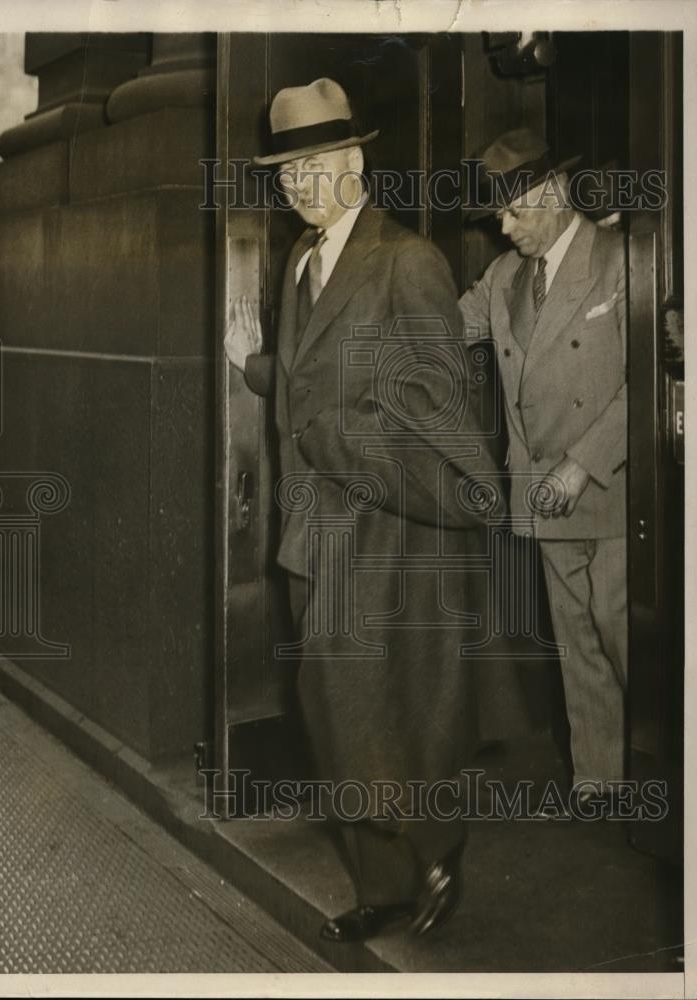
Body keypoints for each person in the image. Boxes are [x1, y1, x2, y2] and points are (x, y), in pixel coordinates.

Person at [225, 79, 530, 943]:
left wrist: (344, 446)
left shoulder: (408, 261)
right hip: (316, 527)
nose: (295, 185)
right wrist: (256, 371)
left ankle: (432, 848)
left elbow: (441, 413)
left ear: (354, 162)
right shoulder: (301, 261)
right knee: (332, 702)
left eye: (311, 165)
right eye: (285, 172)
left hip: (393, 527)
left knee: (393, 700)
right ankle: (388, 880)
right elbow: (310, 376)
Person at [460, 128, 628, 803]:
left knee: (626, 640)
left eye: (514, 210)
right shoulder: (503, 279)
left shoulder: (620, 259)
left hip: (609, 486)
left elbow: (645, 384)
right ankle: (601, 781)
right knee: (577, 645)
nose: (505, 228)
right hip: (541, 492)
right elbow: (441, 325)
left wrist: (583, 465)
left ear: (555, 193)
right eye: (498, 214)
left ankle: (674, 783)